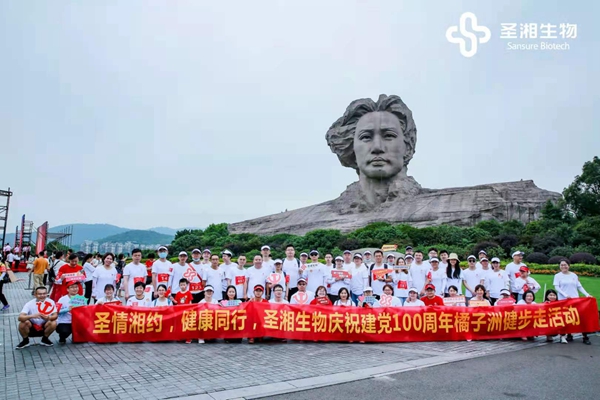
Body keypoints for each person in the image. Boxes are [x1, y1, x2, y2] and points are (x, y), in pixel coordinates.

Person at [553, 260, 593, 345]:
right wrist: (565, 295)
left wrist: (587, 294)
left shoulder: (574, 275)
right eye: (561, 265)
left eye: (565, 265)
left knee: (579, 318)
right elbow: (557, 287)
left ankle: (585, 336)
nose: (563, 266)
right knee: (567, 318)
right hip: (564, 300)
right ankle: (569, 334)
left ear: (569, 265)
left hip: (575, 300)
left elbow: (579, 286)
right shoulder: (557, 276)